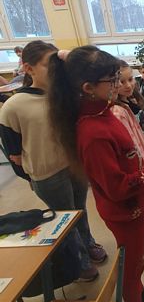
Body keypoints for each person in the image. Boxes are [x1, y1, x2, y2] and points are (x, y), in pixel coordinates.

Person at [47, 45, 144, 302]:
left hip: (135, 205)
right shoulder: (93, 133)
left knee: (136, 261)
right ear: (88, 88)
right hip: (125, 212)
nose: (119, 84)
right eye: (112, 80)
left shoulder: (104, 111)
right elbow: (118, 188)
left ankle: (137, 291)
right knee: (131, 264)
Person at [0, 40, 105, 282]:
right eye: (50, 65)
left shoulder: (65, 94)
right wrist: (32, 177)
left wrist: (67, 58)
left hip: (73, 166)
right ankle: (79, 261)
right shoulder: (13, 106)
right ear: (28, 68)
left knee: (79, 210)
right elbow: (14, 153)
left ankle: (88, 243)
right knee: (65, 218)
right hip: (47, 174)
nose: (57, 70)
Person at [112, 60, 144, 249]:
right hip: (139, 165)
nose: (128, 85)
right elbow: (131, 144)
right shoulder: (118, 112)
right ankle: (140, 238)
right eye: (121, 81)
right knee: (140, 204)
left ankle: (143, 231)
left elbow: (142, 135)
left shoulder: (130, 101)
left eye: (131, 79)